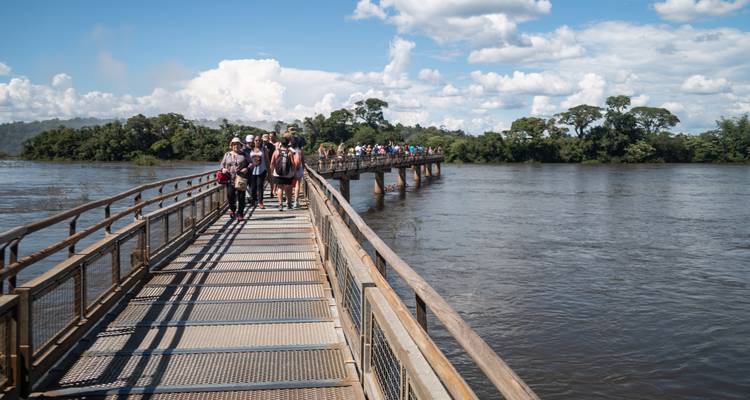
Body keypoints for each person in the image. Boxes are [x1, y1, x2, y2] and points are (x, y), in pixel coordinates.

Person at [219, 137, 249, 221]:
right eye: (234, 144)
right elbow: (222, 164)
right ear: (231, 145)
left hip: (241, 178)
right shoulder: (227, 154)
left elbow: (251, 163)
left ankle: (240, 214)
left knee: (241, 197)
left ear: (240, 145)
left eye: (237, 144)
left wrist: (247, 168)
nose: (236, 146)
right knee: (230, 196)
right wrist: (223, 169)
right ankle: (233, 209)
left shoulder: (244, 154)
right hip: (230, 179)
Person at [270, 136, 298, 211]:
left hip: (278, 173)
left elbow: (272, 163)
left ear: (281, 144)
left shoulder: (276, 152)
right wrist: (294, 173)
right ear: (287, 144)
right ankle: (288, 204)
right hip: (288, 173)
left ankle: (280, 204)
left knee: (280, 188)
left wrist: (271, 172)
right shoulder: (289, 152)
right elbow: (293, 164)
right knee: (288, 189)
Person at [248, 136, 268, 209]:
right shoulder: (250, 149)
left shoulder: (264, 149)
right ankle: (253, 201)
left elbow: (267, 160)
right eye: (256, 140)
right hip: (252, 171)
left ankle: (260, 202)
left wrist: (269, 170)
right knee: (253, 187)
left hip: (262, 170)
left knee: (260, 186)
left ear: (261, 141)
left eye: (259, 140)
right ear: (254, 141)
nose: (258, 142)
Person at [291, 136, 305, 209]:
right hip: (299, 168)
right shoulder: (300, 149)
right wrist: (304, 167)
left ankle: (288, 201)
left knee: (290, 184)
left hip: (290, 169)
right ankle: (296, 202)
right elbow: (302, 159)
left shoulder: (289, 149)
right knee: (297, 184)